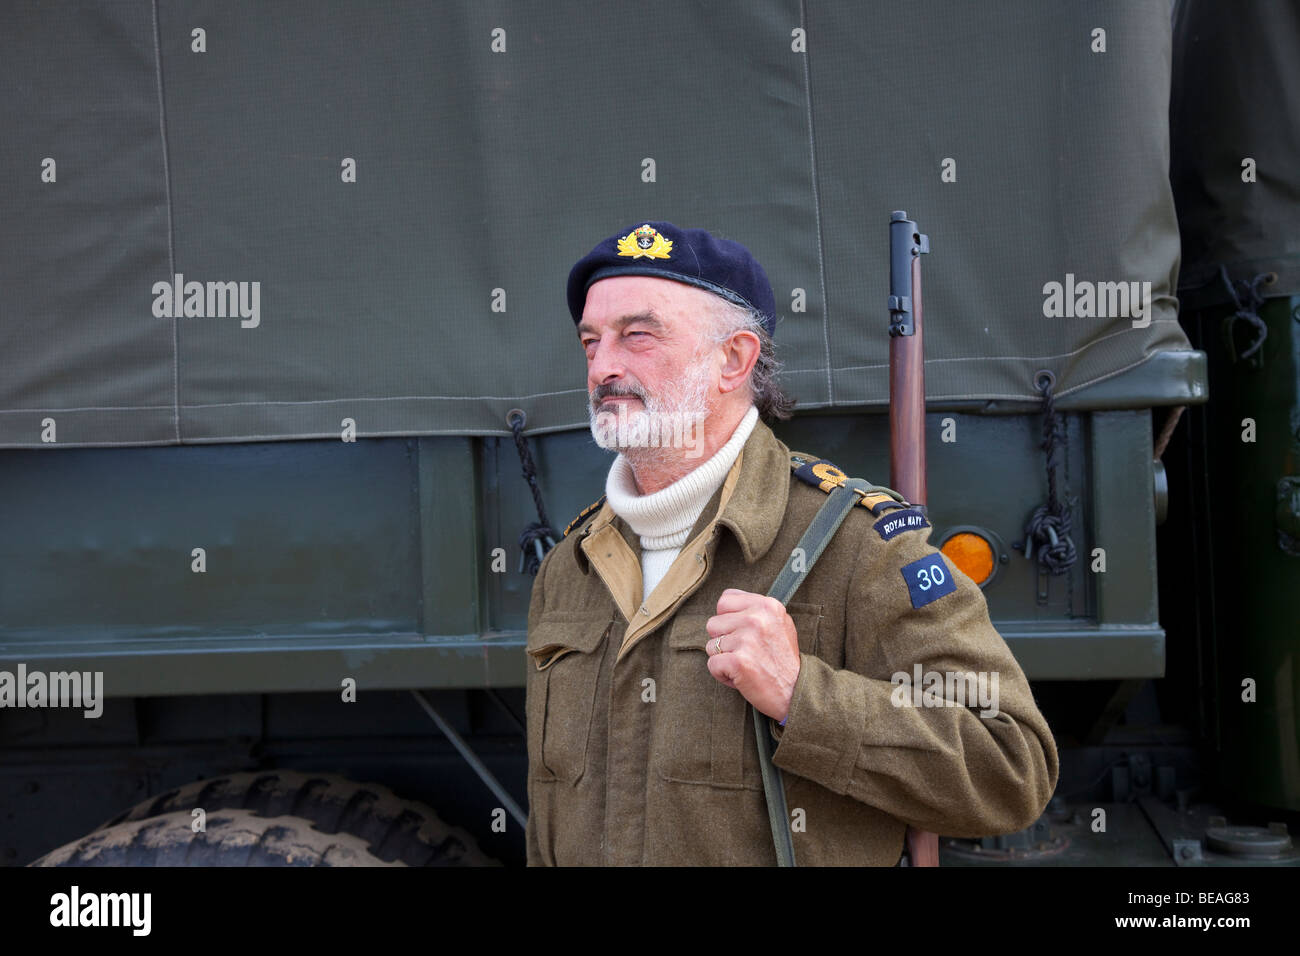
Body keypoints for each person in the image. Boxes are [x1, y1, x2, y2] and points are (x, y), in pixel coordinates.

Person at [524, 221, 1058, 865]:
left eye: (637, 335)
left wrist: (803, 696)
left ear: (734, 359)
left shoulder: (855, 545)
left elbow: (1011, 766)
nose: (604, 366)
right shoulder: (570, 566)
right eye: (590, 341)